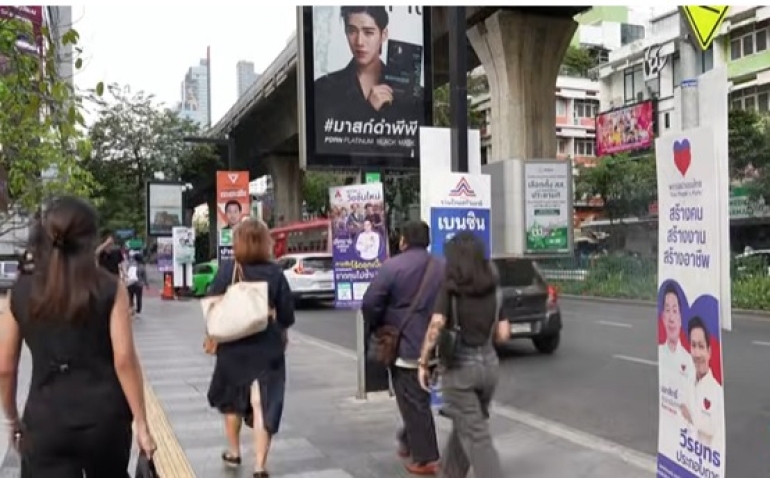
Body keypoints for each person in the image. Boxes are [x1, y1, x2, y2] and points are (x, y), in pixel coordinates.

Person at [0, 195, 156, 476]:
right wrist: (142, 425)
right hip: (105, 420)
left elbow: (5, 367)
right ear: (90, 240)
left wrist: (12, 418)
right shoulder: (110, 288)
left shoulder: (21, 290)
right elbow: (124, 360)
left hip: (45, 420)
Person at [417, 231, 510, 478]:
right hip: (489, 368)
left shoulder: (451, 289)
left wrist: (423, 362)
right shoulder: (494, 288)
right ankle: (449, 473)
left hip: (460, 371)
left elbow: (436, 325)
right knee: (468, 424)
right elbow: (503, 334)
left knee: (477, 437)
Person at [206, 218, 295, 478]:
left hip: (232, 347)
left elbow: (212, 302)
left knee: (232, 403)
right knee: (262, 404)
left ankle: (234, 452)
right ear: (265, 242)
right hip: (267, 346)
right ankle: (259, 466)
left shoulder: (228, 270)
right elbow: (287, 314)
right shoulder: (275, 273)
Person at [361, 221, 443, 475]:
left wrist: (380, 323)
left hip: (405, 345)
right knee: (417, 397)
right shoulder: (443, 267)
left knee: (413, 400)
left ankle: (426, 458)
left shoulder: (392, 266)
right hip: (437, 343)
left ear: (403, 240)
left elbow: (371, 302)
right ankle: (409, 440)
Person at [314, 7, 423, 139]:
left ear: (383, 35)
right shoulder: (323, 89)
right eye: (352, 31)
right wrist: (368, 110)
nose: (359, 42)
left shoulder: (410, 91)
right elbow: (326, 142)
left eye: (368, 32)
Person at [680, 316, 724, 449]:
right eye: (693, 346)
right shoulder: (686, 383)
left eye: (701, 346)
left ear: (709, 351)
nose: (697, 354)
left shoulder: (716, 391)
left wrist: (691, 419)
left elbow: (715, 437)